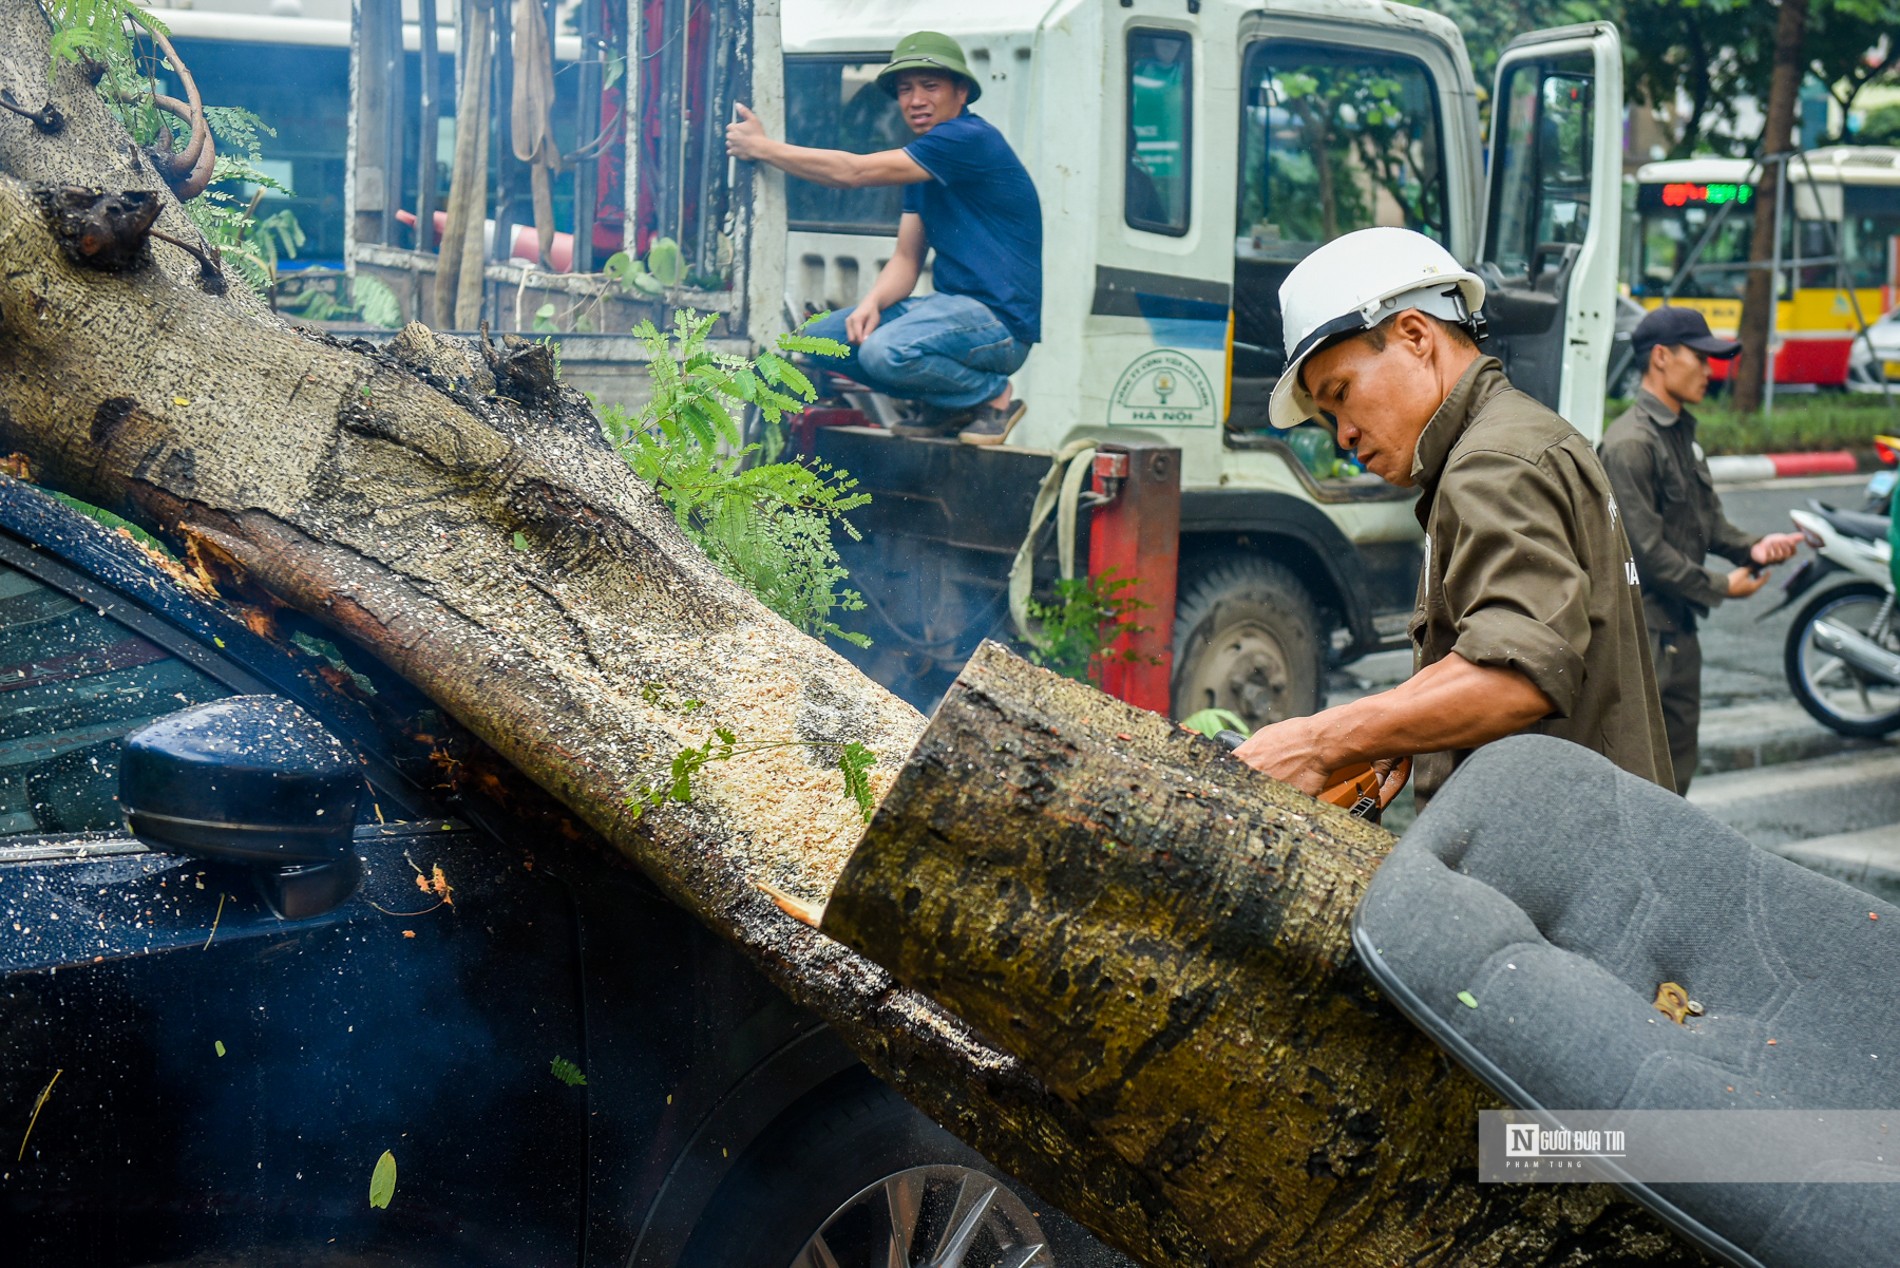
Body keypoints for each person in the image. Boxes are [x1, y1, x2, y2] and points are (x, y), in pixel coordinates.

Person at [1232, 227, 1672, 809]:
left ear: (1415, 335)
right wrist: (1402, 727)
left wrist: (1319, 743)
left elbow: (1514, 676)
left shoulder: (1490, 463)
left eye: (1342, 393)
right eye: (1327, 415)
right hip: (1599, 852)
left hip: (1568, 870)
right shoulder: (1522, 435)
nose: (1343, 435)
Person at [726, 31, 1041, 446]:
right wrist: (871, 304)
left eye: (930, 86)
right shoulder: (924, 160)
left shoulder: (969, 139)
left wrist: (763, 148)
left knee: (884, 352)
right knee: (819, 339)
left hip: (998, 326)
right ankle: (950, 405)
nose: (915, 100)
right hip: (951, 313)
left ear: (961, 91)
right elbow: (907, 260)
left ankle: (993, 396)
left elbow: (852, 172)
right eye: (905, 89)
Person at [1598, 308, 1804, 794]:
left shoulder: (1679, 434)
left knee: (1676, 776)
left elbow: (1705, 521)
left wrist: (1754, 549)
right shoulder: (1629, 444)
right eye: (1702, 359)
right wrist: (1721, 586)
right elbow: (1646, 551)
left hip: (1679, 629)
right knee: (1640, 783)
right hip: (1643, 637)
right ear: (1662, 357)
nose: (1712, 372)